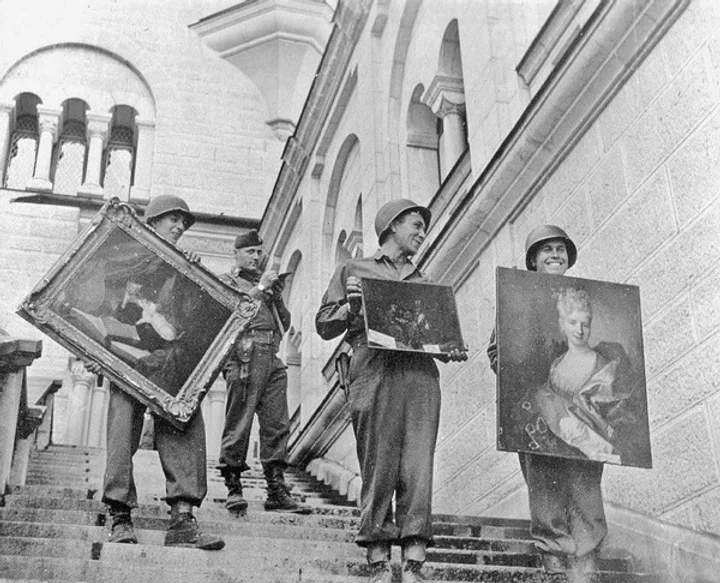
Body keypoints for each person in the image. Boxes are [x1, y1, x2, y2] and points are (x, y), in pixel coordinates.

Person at [315, 199, 467, 583]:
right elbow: (324, 325)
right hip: (373, 372)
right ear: (392, 225)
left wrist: (451, 346)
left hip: (419, 377)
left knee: (417, 465)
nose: (421, 232)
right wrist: (353, 307)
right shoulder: (353, 270)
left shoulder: (426, 282)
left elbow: (441, 336)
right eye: (415, 224)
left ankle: (414, 560)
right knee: (379, 464)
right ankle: (378, 557)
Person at [92, 195, 225, 550]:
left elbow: (195, 321)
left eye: (183, 221)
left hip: (171, 362)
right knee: (122, 429)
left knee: (184, 423)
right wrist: (92, 351)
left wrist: (194, 278)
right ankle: (119, 515)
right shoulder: (123, 261)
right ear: (151, 222)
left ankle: (183, 518)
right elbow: (98, 310)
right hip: (127, 358)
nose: (180, 226)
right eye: (172, 219)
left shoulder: (184, 269)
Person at [487, 225, 605, 582]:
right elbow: (496, 352)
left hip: (581, 409)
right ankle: (554, 562)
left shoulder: (585, 298)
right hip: (537, 411)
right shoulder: (516, 299)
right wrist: (525, 368)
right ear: (533, 261)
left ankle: (586, 563)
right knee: (545, 485)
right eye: (546, 251)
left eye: (560, 250)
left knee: (586, 484)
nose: (555, 256)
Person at [217, 229, 311, 515]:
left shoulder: (264, 285)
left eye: (259, 252)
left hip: (272, 355)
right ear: (236, 254)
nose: (256, 257)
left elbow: (284, 322)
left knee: (276, 423)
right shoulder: (226, 282)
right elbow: (235, 309)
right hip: (244, 355)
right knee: (239, 421)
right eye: (250, 252)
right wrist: (259, 290)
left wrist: (277, 297)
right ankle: (234, 487)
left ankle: (276, 489)